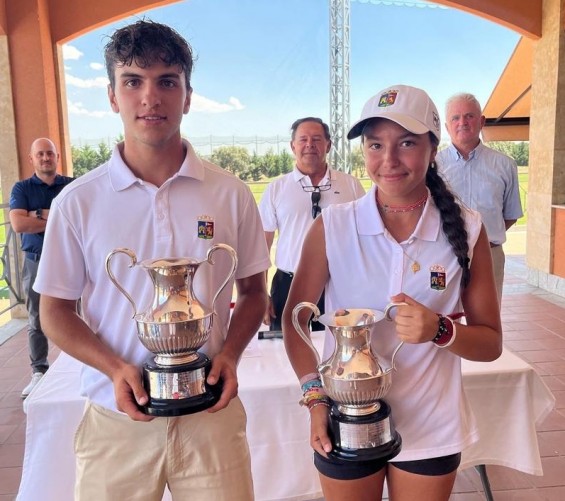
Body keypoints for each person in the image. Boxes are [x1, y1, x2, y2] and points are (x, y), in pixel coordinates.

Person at [33, 20, 269, 501]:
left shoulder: (230, 193)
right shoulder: (78, 201)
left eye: (167, 81)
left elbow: (253, 293)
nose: (150, 97)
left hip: (211, 419)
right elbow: (53, 311)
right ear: (112, 96)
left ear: (187, 94)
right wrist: (114, 368)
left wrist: (228, 355)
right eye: (133, 81)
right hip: (116, 421)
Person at [282, 85, 502, 501]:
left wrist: (441, 330)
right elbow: (293, 321)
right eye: (375, 144)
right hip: (344, 419)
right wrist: (314, 399)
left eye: (406, 143)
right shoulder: (333, 225)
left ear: (433, 148)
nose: (389, 160)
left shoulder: (468, 228)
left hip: (431, 423)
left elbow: (490, 343)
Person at [258, 117, 364, 331]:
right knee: (285, 355)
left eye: (316, 139)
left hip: (339, 286)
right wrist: (261, 294)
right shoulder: (276, 188)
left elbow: (366, 239)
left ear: (328, 145)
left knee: (339, 354)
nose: (310, 145)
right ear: (292, 146)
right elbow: (262, 245)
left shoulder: (350, 185)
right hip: (288, 286)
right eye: (303, 139)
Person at [436, 92, 523, 305]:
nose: (462, 122)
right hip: (441, 255)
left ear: (482, 121)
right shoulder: (433, 165)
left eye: (469, 116)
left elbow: (510, 216)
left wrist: (481, 240)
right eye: (455, 118)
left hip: (490, 257)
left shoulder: (504, 165)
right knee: (443, 319)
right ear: (447, 127)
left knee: (487, 323)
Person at [9, 137, 73, 399]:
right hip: (36, 260)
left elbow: (76, 222)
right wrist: (55, 215)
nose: (45, 158)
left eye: (50, 154)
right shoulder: (21, 188)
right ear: (31, 158)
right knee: (36, 317)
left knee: (78, 314)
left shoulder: (71, 186)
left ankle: (78, 366)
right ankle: (39, 371)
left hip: (70, 260)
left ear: (57, 157)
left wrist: (36, 213)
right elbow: (18, 225)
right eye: (40, 154)